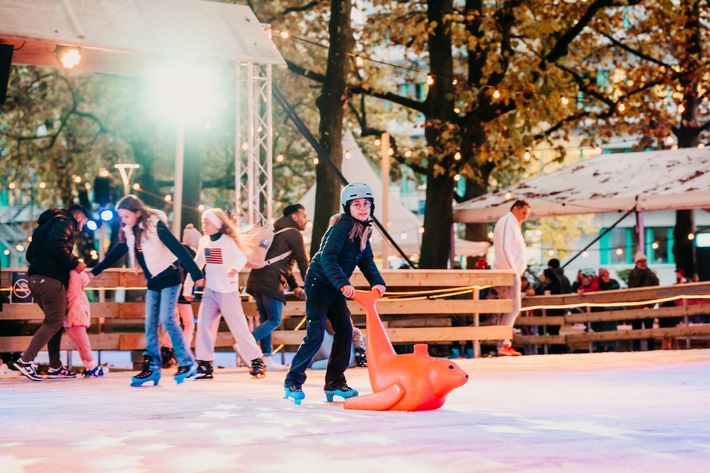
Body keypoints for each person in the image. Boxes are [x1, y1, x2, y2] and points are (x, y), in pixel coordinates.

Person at [283, 182, 386, 404]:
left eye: (366, 204)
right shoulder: (342, 227)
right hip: (319, 283)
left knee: (346, 332)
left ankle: (335, 382)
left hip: (336, 286)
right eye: (357, 204)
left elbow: (367, 261)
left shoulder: (364, 230)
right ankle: (293, 381)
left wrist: (377, 282)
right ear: (347, 207)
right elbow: (327, 257)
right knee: (316, 334)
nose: (362, 208)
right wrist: (343, 283)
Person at [90, 195, 204, 387]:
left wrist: (196, 272)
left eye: (126, 216)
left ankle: (187, 363)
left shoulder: (155, 226)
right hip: (153, 281)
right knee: (150, 324)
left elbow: (177, 248)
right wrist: (95, 271)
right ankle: (152, 368)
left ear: (137, 213)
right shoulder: (130, 233)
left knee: (167, 318)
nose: (123, 220)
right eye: (121, 217)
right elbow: (118, 251)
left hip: (171, 275)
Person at [183, 208, 267, 380]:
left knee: (239, 328)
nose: (204, 226)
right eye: (203, 223)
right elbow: (197, 263)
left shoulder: (228, 241)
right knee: (205, 327)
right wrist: (187, 286)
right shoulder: (205, 241)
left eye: (207, 223)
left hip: (228, 292)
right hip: (210, 291)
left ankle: (256, 360)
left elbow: (240, 258)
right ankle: (204, 363)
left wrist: (233, 269)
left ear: (218, 224)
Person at [12, 205, 89, 381]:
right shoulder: (65, 221)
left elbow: (30, 253)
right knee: (54, 321)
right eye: (84, 222)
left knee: (55, 322)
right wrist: (74, 262)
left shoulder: (47, 224)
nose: (83, 226)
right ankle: (26, 360)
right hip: (50, 279)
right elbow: (56, 244)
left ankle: (55, 366)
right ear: (78, 216)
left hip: (35, 278)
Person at [246, 203, 310, 371]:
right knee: (274, 319)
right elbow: (303, 263)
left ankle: (266, 358)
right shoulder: (293, 234)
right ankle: (248, 344)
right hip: (271, 282)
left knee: (265, 319)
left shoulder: (277, 232)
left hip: (256, 280)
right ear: (294, 217)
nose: (306, 219)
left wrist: (295, 286)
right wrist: (311, 285)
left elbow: (283, 264)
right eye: (304, 216)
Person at [491, 199, 531, 357]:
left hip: (509, 272)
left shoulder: (511, 223)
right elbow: (504, 247)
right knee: (512, 307)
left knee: (508, 308)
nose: (525, 216)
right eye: (523, 213)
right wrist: (513, 271)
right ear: (515, 209)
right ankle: (503, 343)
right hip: (508, 272)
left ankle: (503, 343)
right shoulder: (508, 221)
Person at [159, 224, 201, 368]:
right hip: (184, 293)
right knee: (189, 324)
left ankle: (165, 350)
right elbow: (193, 273)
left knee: (174, 321)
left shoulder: (176, 250)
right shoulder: (194, 253)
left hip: (171, 290)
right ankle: (185, 352)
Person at [65, 270, 107, 377]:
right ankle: (93, 367)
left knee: (80, 346)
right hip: (77, 319)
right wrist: (79, 269)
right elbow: (78, 275)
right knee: (85, 346)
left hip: (71, 321)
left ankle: (88, 366)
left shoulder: (70, 294)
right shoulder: (76, 292)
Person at [627, 251, 659, 351]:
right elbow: (630, 292)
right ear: (636, 263)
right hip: (635, 308)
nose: (643, 263)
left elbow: (655, 293)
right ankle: (636, 350)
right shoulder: (632, 275)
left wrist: (650, 306)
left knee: (649, 330)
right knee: (636, 330)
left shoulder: (652, 276)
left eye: (644, 261)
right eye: (641, 261)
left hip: (647, 308)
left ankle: (651, 350)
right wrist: (632, 306)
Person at [591, 268, 621, 352]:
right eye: (604, 275)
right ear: (601, 277)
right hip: (599, 313)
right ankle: (599, 349)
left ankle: (611, 348)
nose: (607, 277)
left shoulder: (614, 284)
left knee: (611, 330)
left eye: (608, 275)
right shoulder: (597, 286)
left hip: (610, 311)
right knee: (600, 332)